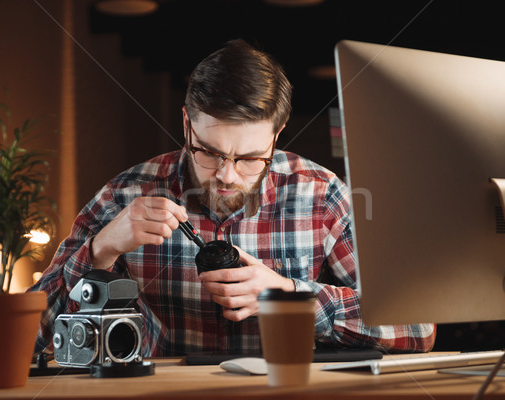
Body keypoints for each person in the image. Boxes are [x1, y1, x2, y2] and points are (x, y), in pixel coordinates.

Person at [29, 39, 436, 357]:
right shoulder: (123, 195)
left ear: (276, 137)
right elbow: (30, 337)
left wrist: (289, 296)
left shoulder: (322, 193)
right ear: (187, 123)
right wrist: (101, 250)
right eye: (208, 151)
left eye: (249, 158)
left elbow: (418, 327)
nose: (226, 174)